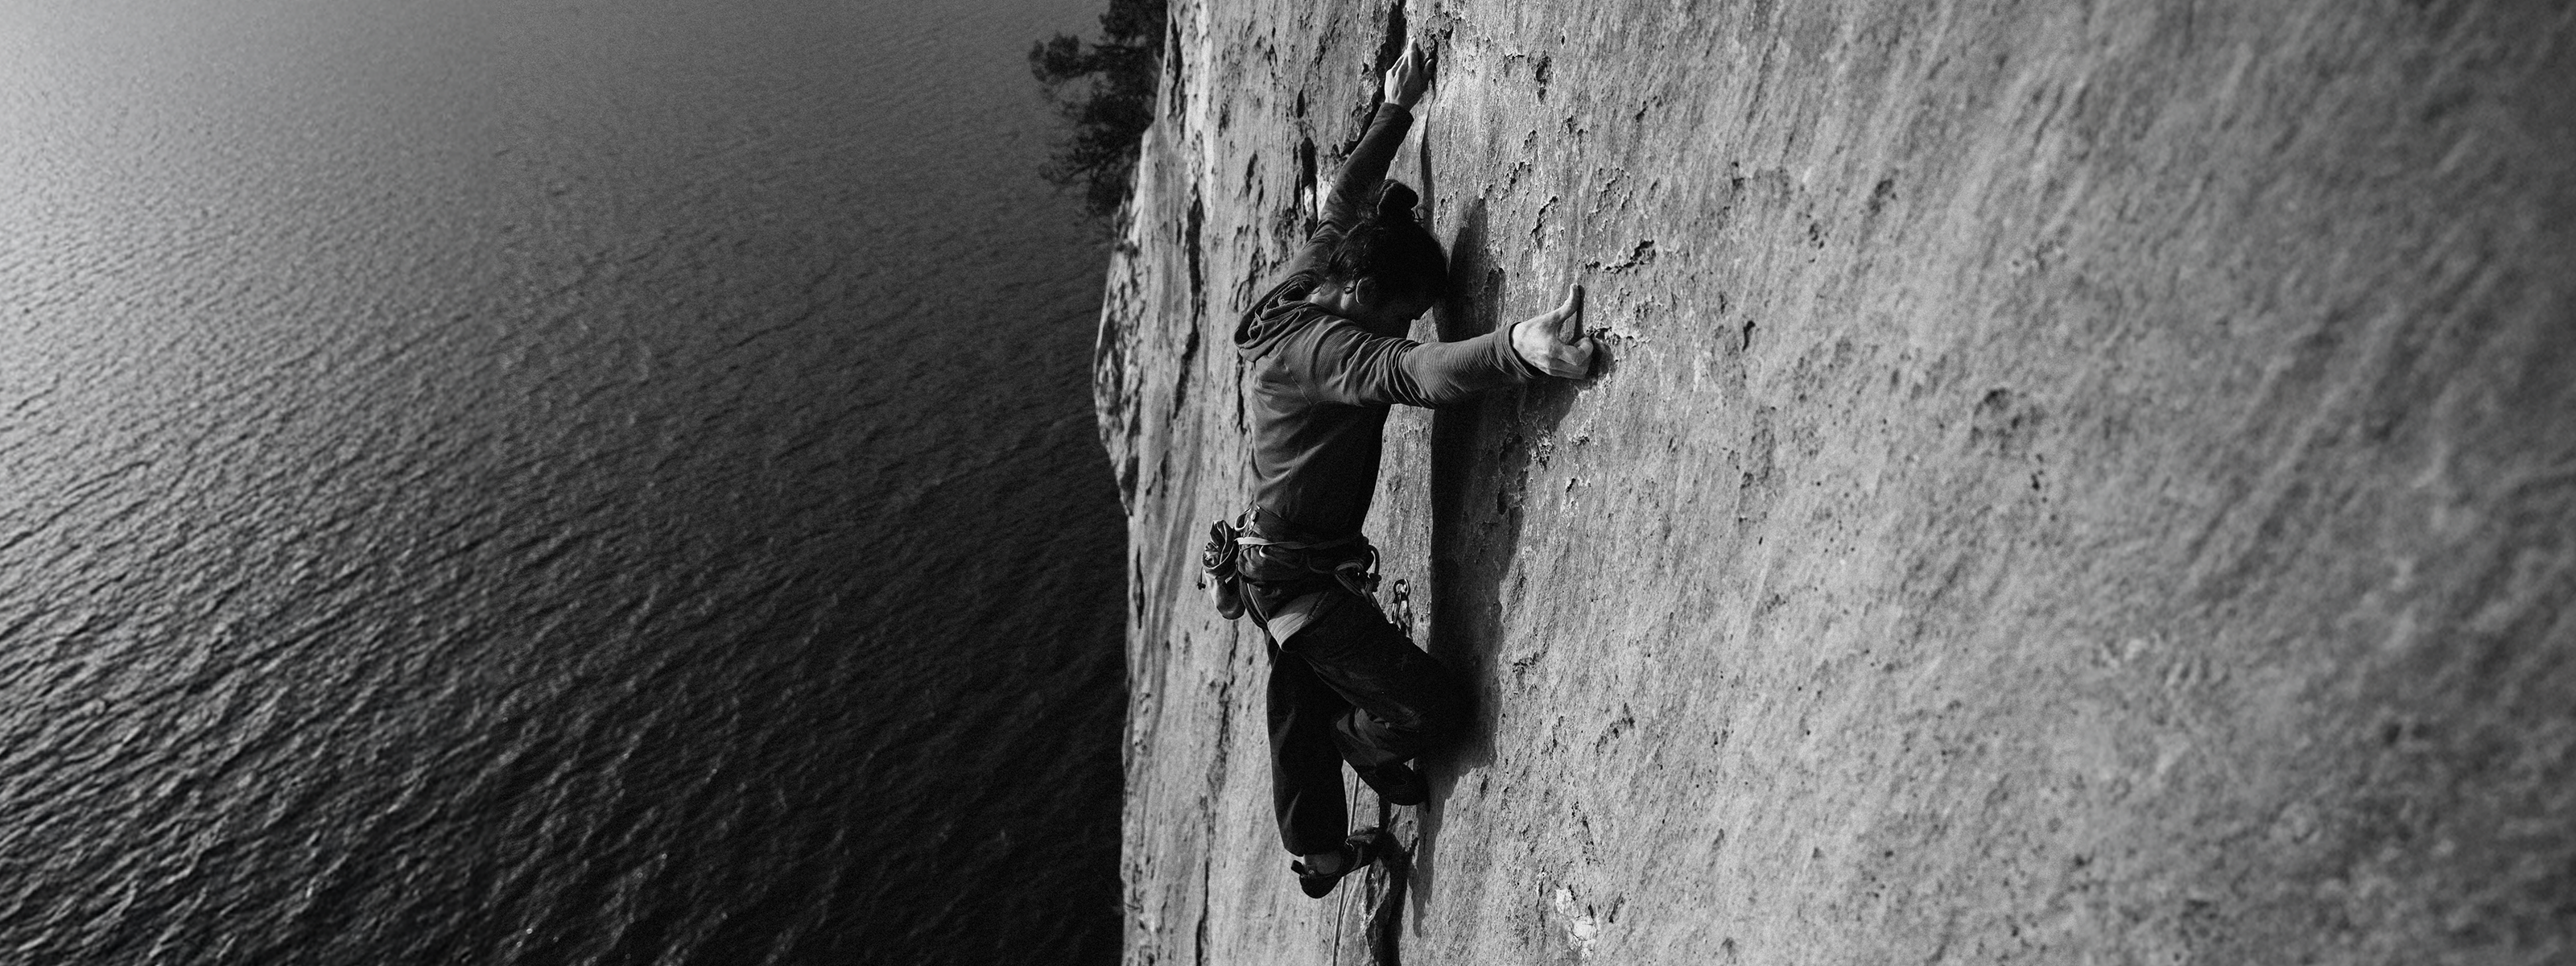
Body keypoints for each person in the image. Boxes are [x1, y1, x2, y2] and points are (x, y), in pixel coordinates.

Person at [1215, 41, 1596, 899]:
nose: (1412, 328)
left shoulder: (1307, 287)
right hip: (1300, 584)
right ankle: (1358, 741)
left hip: (1284, 563)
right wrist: (1516, 350)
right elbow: (1411, 374)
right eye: (1406, 314)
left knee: (1304, 696)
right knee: (1432, 713)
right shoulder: (1329, 350)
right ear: (1363, 299)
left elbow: (1342, 201)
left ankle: (1321, 793)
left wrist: (1396, 106)